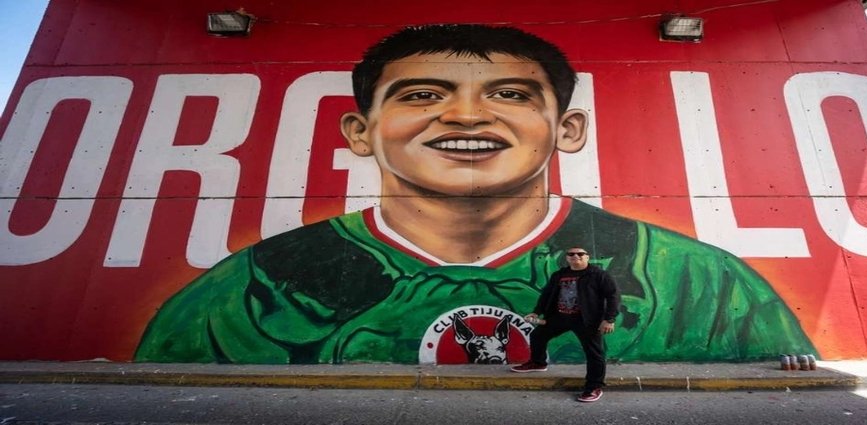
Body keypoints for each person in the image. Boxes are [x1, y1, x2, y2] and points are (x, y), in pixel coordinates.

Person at [135, 24, 816, 365]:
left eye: (511, 95)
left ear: (567, 128)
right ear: (360, 131)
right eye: (422, 95)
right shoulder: (243, 295)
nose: (464, 117)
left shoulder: (703, 283)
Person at [511, 247, 619, 402]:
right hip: (560, 317)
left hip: (587, 320)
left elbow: (613, 297)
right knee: (538, 335)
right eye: (571, 254)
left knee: (594, 353)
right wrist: (537, 312)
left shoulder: (599, 275)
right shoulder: (559, 275)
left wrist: (609, 319)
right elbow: (547, 294)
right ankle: (538, 363)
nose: (576, 256)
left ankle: (594, 387)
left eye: (580, 254)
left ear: (587, 257)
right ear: (567, 258)